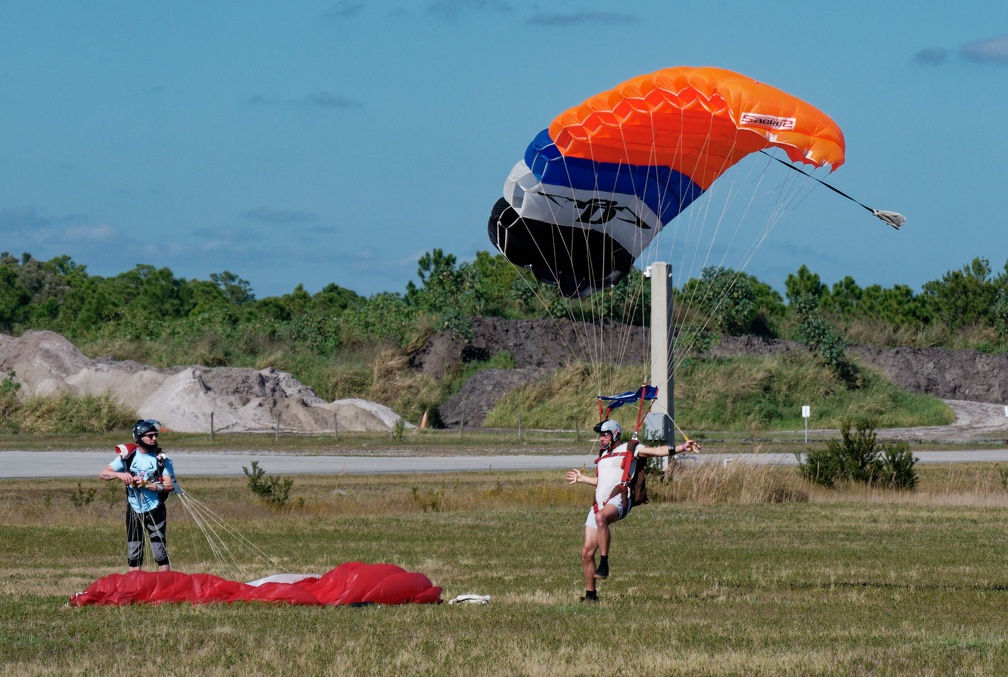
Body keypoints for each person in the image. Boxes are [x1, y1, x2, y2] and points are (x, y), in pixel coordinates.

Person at [566, 419, 700, 602]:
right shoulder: (604, 456)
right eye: (600, 436)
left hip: (619, 499)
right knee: (586, 552)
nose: (601, 439)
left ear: (615, 435)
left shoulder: (631, 448)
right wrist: (582, 479)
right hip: (599, 503)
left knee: (600, 518)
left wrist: (683, 447)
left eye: (605, 435)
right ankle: (591, 595)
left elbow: (657, 452)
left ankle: (604, 563)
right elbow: (601, 482)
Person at [99, 419, 176, 572]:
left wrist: (145, 484)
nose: (154, 438)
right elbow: (103, 473)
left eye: (155, 435)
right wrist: (119, 475)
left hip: (155, 509)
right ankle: (134, 589)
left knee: (160, 552)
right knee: (134, 554)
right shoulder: (128, 457)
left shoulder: (162, 460)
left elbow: (169, 485)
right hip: (134, 509)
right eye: (150, 435)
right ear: (140, 437)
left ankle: (165, 589)